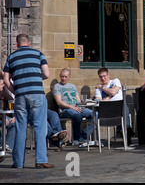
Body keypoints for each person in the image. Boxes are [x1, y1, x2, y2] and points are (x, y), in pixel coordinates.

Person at [3, 34, 54, 168]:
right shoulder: (38, 54)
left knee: (20, 127)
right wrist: (36, 78)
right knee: (39, 127)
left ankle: (18, 162)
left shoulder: (11, 57)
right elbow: (47, 74)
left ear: (17, 44)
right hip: (37, 94)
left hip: (20, 96)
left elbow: (7, 80)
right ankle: (41, 160)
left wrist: (16, 91)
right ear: (29, 43)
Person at [53, 68, 93, 145]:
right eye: (62, 76)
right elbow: (59, 102)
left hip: (77, 108)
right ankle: (76, 138)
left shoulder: (73, 86)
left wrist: (82, 105)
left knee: (94, 114)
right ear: (60, 76)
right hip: (66, 110)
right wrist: (72, 107)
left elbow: (78, 100)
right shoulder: (57, 86)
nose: (63, 78)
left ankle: (83, 136)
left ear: (69, 77)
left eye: (65, 77)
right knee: (77, 116)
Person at [94, 67, 134, 145]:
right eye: (101, 76)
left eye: (104, 76)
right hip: (108, 110)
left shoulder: (115, 81)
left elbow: (113, 92)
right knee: (121, 106)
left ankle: (124, 130)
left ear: (108, 75)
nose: (103, 78)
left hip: (120, 107)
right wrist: (110, 96)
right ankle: (126, 129)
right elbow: (100, 102)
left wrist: (103, 88)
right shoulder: (97, 89)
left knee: (122, 105)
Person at [0, 72, 16, 152]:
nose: (2, 86)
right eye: (1, 84)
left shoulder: (3, 93)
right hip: (1, 117)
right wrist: (3, 118)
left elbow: (11, 101)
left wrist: (14, 116)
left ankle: (7, 146)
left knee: (14, 123)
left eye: (3, 84)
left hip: (3, 116)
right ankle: (2, 145)